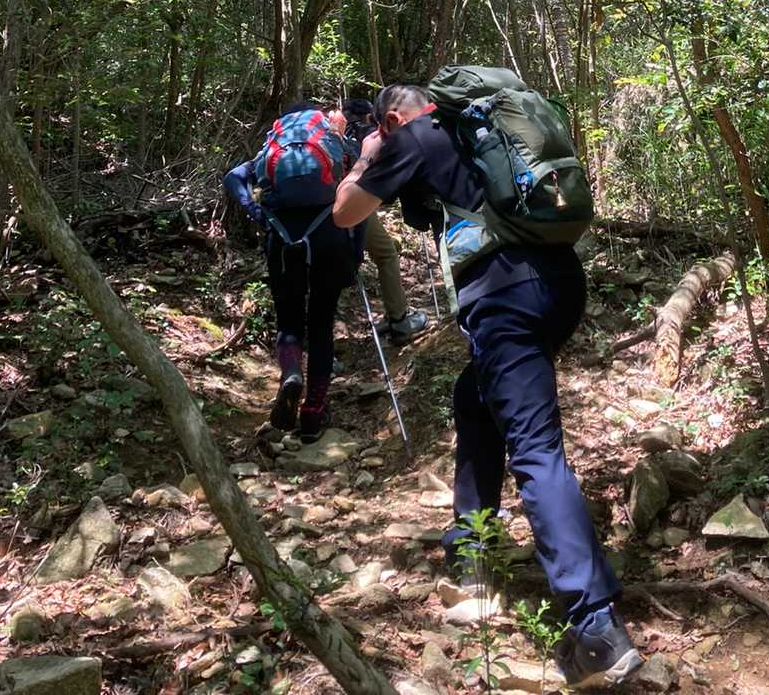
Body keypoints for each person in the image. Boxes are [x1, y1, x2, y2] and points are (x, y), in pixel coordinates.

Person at [331, 83, 643, 688]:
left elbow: (345, 211)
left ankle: (596, 628)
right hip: (559, 284)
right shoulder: (475, 132)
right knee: (473, 398)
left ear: (392, 118)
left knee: (535, 448)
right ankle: (472, 551)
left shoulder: (411, 137)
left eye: (384, 126)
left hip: (504, 298)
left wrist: (368, 155)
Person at [223, 99, 364, 442]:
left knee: (288, 319)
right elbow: (362, 189)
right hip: (328, 234)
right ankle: (313, 412)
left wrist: (256, 212)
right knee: (321, 323)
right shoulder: (335, 141)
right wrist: (355, 254)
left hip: (282, 237)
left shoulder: (273, 145)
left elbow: (233, 177)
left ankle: (290, 374)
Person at [334, 98, 428, 345]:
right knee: (385, 254)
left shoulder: (329, 137)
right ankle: (399, 320)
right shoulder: (366, 136)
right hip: (350, 204)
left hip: (315, 209)